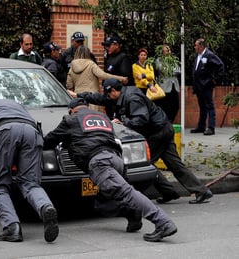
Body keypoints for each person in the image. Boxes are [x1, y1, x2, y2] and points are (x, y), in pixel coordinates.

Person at [43, 98, 177, 242]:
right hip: (116, 160)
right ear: (87, 107)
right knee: (103, 203)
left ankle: (163, 222)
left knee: (127, 193)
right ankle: (133, 216)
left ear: (71, 110)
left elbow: (50, 140)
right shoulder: (102, 117)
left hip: (100, 163)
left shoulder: (70, 120)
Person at [75, 78, 213, 205]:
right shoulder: (120, 94)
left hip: (157, 133)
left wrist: (123, 122)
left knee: (144, 162)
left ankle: (169, 191)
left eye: (108, 94)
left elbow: (141, 119)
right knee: (174, 163)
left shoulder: (133, 98)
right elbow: (100, 98)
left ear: (114, 90)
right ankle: (200, 191)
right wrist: (80, 96)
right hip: (163, 128)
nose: (107, 97)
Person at [0, 96, 59, 243]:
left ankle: (12, 228)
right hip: (32, 132)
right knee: (30, 183)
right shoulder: (13, 104)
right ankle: (45, 207)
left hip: (5, 132)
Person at [66, 45, 128, 111]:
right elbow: (103, 75)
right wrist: (121, 79)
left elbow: (69, 85)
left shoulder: (72, 67)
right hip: (92, 98)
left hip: (78, 98)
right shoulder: (91, 64)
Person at [191, 38, 225, 136]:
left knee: (209, 106)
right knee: (202, 107)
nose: (195, 47)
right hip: (198, 85)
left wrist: (215, 80)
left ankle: (211, 127)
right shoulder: (197, 55)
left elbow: (220, 65)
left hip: (206, 85)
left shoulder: (209, 55)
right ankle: (201, 126)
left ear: (201, 46)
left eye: (196, 45)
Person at [102, 35, 134, 119]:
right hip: (109, 95)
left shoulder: (123, 58)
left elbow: (125, 80)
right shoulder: (110, 57)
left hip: (117, 97)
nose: (106, 48)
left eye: (109, 45)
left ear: (116, 45)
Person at [154, 44, 181, 122]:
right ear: (163, 52)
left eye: (169, 50)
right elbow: (162, 69)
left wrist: (170, 70)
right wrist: (171, 70)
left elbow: (178, 70)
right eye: (167, 50)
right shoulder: (159, 60)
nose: (169, 52)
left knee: (176, 105)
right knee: (165, 106)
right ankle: (165, 121)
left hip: (174, 86)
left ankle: (170, 120)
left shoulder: (173, 60)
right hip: (164, 87)